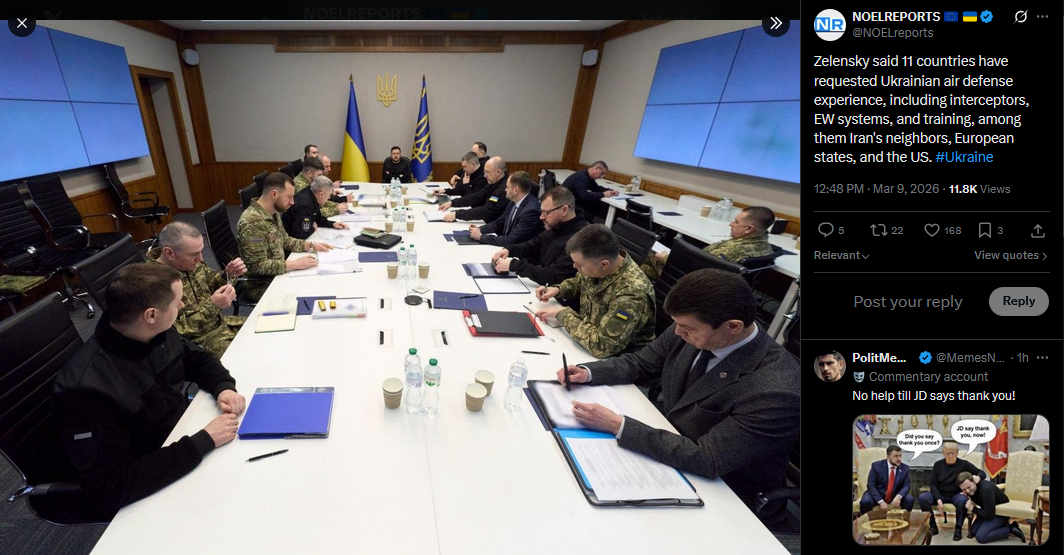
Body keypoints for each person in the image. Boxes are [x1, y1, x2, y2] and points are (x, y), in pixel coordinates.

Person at [555, 269, 800, 509]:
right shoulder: (693, 327)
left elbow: (708, 459)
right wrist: (588, 373)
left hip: (726, 491)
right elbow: (641, 363)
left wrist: (618, 425)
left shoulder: (775, 391)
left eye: (687, 328)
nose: (677, 333)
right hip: (670, 443)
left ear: (733, 326)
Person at [52, 263, 246, 518]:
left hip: (179, 436)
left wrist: (223, 387)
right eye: (178, 302)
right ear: (151, 315)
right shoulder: (86, 393)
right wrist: (204, 441)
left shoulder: (151, 332)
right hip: (153, 472)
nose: (182, 306)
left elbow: (196, 359)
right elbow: (110, 487)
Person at [533, 224, 655, 358]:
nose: (575, 266)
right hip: (584, 341)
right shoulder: (599, 267)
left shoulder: (631, 295)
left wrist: (563, 314)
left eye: (580, 265)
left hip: (618, 360)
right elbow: (580, 281)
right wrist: (558, 289)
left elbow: (602, 346)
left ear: (604, 264)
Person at [147, 222, 247, 358]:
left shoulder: (191, 264)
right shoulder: (153, 283)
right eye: (194, 254)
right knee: (249, 358)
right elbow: (174, 331)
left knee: (268, 331)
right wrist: (213, 306)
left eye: (201, 251)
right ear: (169, 253)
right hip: (198, 342)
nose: (200, 258)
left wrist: (227, 275)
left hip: (220, 323)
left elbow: (211, 284)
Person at [237, 172, 332, 301]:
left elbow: (285, 240)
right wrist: (295, 264)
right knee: (312, 292)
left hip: (280, 273)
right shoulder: (251, 223)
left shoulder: (272, 212)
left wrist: (311, 245)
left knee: (319, 279)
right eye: (289, 197)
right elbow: (258, 266)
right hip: (263, 285)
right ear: (274, 194)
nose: (292, 202)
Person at [643, 206, 776, 281]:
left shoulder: (730, 250)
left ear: (749, 229)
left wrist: (664, 258)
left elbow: (695, 275)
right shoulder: (765, 247)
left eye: (736, 222)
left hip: (686, 282)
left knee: (640, 261)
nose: (731, 224)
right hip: (720, 287)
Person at [491, 186, 588, 285]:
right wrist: (509, 250)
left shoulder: (582, 238)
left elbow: (554, 276)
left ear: (564, 210)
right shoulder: (556, 226)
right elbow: (532, 245)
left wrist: (514, 265)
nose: (541, 217)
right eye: (541, 212)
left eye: (546, 213)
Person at [919, 442, 987, 540]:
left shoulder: (964, 464)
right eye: (948, 453)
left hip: (956, 495)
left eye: (953, 453)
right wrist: (938, 499)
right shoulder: (938, 465)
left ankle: (958, 529)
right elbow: (933, 484)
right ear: (943, 453)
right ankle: (933, 526)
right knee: (923, 498)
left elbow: (982, 473)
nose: (950, 456)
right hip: (941, 494)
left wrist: (978, 477)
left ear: (957, 453)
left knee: (962, 500)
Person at [471, 171, 543, 247]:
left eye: (507, 187)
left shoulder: (530, 211)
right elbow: (499, 222)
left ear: (516, 190)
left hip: (517, 251)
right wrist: (479, 229)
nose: (505, 190)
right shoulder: (514, 201)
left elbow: (511, 240)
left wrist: (481, 237)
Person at [959, 471, 1026, 543]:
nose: (967, 491)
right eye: (964, 489)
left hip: (1001, 513)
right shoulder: (970, 490)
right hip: (988, 510)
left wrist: (972, 508)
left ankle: (1010, 529)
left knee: (981, 537)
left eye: (969, 487)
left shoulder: (985, 490)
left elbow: (989, 515)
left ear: (974, 481)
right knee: (973, 531)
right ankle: (999, 525)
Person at [440, 157, 509, 224]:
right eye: (484, 172)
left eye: (487, 172)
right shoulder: (494, 183)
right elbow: (476, 196)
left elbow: (486, 211)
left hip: (494, 227)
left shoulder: (503, 189)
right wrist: (452, 203)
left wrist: (457, 214)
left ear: (498, 172)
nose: (485, 176)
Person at [283, 175, 350, 240]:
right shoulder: (304, 206)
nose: (328, 199)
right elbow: (301, 234)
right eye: (329, 196)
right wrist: (313, 228)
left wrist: (332, 224)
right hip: (291, 241)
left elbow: (317, 217)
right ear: (321, 194)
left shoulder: (311, 194)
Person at [859, 445, 915, 514]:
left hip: (895, 495)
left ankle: (904, 519)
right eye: (896, 456)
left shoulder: (905, 468)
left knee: (909, 499)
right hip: (878, 494)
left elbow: (906, 486)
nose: (899, 459)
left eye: (900, 456)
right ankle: (865, 520)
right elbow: (871, 485)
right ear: (888, 456)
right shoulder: (877, 466)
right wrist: (880, 501)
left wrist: (899, 496)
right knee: (865, 501)